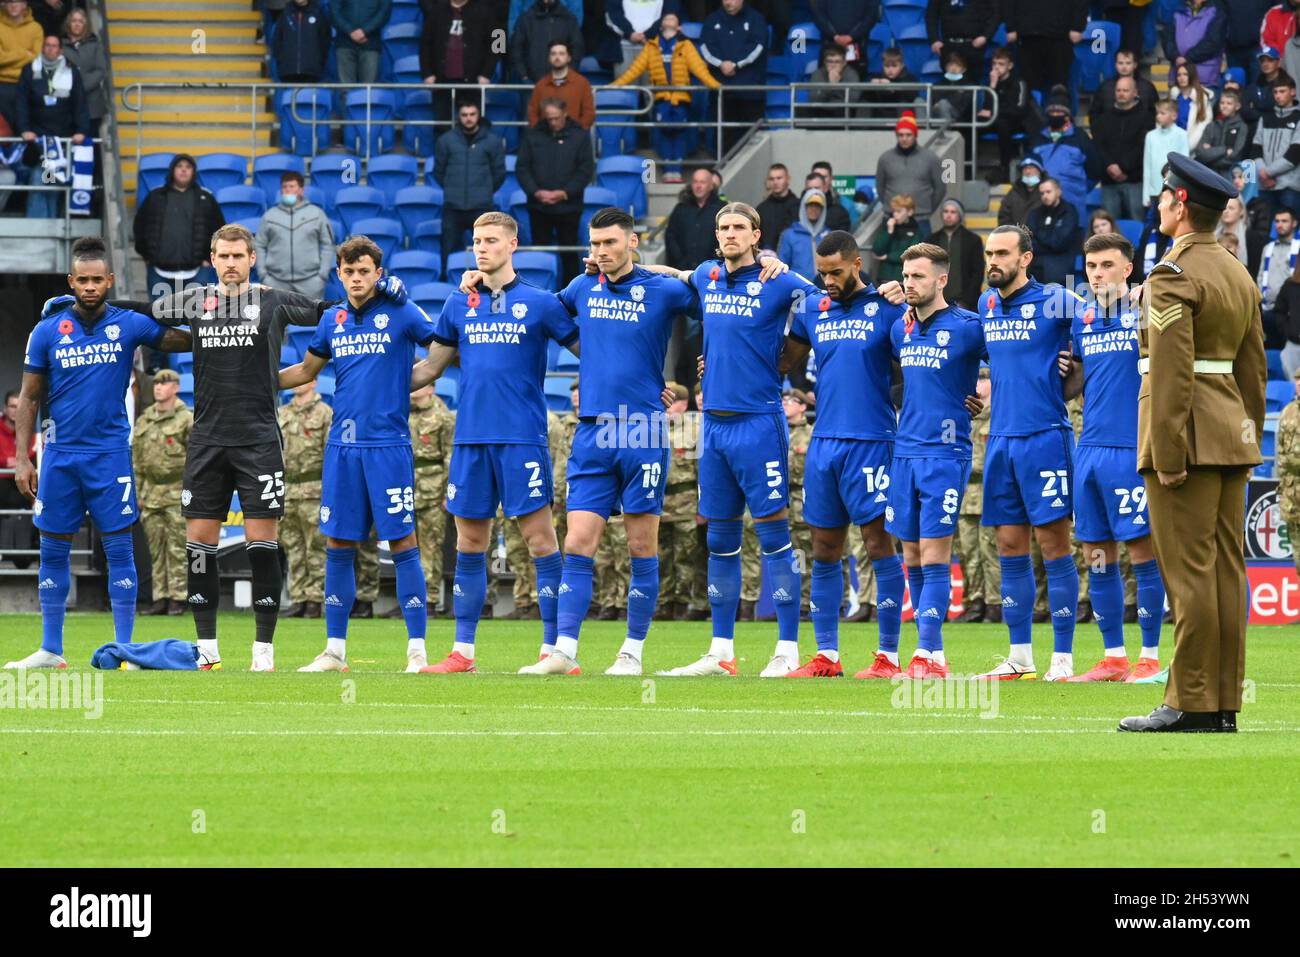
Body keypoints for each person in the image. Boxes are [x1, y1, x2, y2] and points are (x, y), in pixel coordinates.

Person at [112, 224, 408, 671]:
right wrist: (82, 305)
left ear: (253, 259)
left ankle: (263, 652)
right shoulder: (194, 301)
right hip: (207, 441)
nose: (231, 264)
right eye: (223, 256)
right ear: (212, 260)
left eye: (238, 256)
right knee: (199, 544)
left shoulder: (274, 300)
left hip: (258, 440)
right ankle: (207, 648)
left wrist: (385, 291)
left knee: (261, 543)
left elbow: (335, 309)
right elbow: (144, 310)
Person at [501, 209, 698, 675]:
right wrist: (479, 281)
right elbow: (532, 308)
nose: (600, 252)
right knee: (579, 542)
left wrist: (678, 270)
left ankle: (632, 651)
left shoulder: (663, 289)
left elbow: (719, 301)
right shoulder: (580, 288)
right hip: (592, 430)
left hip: (640, 429)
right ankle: (563, 650)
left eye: (610, 242)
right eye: (594, 244)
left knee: (641, 545)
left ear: (632, 242)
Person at [1119, 154, 1266, 732]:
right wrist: (1244, 435)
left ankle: (1189, 702)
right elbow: (1252, 374)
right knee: (1227, 573)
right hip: (1231, 438)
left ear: (1181, 206)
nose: (1157, 205)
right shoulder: (1236, 271)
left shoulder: (1172, 276)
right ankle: (1222, 702)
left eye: (1163, 198)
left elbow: (1172, 372)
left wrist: (1170, 452)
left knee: (1188, 574)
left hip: (1188, 442)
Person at [656, 203, 827, 677]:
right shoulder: (709, 275)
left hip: (759, 424)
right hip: (713, 426)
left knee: (774, 535)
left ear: (756, 235)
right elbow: (673, 273)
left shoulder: (780, 280)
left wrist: (786, 358)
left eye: (739, 228)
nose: (730, 234)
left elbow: (830, 303)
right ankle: (721, 652)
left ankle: (788, 649)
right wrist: (616, 264)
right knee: (722, 539)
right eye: (723, 228)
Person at [4, 236, 190, 671]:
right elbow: (29, 398)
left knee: (119, 548)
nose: (89, 287)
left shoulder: (130, 325)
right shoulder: (47, 330)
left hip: (109, 455)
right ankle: (51, 650)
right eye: (81, 280)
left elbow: (185, 341)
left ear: (110, 280)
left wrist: (217, 312)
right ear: (71, 281)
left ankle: (124, 651)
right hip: (60, 456)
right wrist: (23, 458)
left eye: (96, 280)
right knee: (53, 547)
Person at [412, 212, 577, 673]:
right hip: (470, 439)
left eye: (490, 240)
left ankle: (555, 650)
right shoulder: (457, 303)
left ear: (512, 245)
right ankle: (463, 652)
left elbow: (592, 351)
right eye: (476, 241)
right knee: (469, 541)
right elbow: (429, 370)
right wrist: (372, 384)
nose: (481, 248)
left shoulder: (541, 303)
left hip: (522, 438)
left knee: (540, 541)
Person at [277, 236, 436, 673]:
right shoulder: (333, 318)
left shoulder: (402, 311)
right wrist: (257, 380)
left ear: (378, 273)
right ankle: (334, 651)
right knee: (338, 542)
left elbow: (442, 349)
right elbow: (307, 371)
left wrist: (403, 382)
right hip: (342, 448)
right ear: (339, 274)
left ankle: (417, 650)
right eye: (349, 272)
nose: (357, 278)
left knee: (403, 541)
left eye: (365, 271)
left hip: (388, 447)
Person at [775, 233, 904, 676]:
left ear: (856, 264)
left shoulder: (889, 307)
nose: (827, 280)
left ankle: (888, 655)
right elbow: (781, 363)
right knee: (824, 547)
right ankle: (827, 655)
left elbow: (922, 363)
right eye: (822, 272)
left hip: (873, 440)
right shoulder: (811, 308)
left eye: (836, 272)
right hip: (824, 442)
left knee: (876, 543)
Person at [975, 224, 1086, 680]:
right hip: (1000, 438)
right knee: (1008, 545)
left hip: (1045, 436)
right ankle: (1019, 656)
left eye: (1002, 253)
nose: (992, 261)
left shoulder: (1059, 300)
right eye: (988, 254)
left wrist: (1074, 365)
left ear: (1025, 258)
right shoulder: (985, 305)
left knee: (1054, 543)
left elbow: (1098, 335)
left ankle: (1062, 658)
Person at [1059, 233, 1165, 682]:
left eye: (1106, 265)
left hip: (1130, 449)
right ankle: (1113, 658)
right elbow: (1073, 389)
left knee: (1142, 552)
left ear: (1128, 269)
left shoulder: (1146, 310)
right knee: (1096, 553)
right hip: (1090, 450)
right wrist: (1068, 373)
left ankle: (1150, 658)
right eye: (1091, 267)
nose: (1097, 274)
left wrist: (1153, 288)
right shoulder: (1082, 320)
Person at [885, 242, 986, 676]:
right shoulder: (900, 329)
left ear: (941, 280)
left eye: (919, 276)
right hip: (904, 452)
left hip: (945, 453)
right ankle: (934, 653)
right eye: (906, 276)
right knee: (910, 554)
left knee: (933, 554)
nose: (910, 284)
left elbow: (1008, 362)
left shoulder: (968, 327)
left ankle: (927, 654)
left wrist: (983, 398)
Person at [610, 10, 718, 182]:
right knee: (665, 132)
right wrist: (614, 86)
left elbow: (700, 69)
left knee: (679, 132)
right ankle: (668, 168)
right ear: (661, 25)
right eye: (666, 18)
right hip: (661, 98)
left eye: (673, 18)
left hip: (681, 98)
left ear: (679, 26)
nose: (669, 19)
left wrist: (716, 86)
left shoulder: (686, 45)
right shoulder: (652, 46)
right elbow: (634, 70)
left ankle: (677, 168)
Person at [132, 368, 192, 617]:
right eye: (156, 383)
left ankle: (178, 598)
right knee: (156, 549)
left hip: (176, 488)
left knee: (177, 548)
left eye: (165, 383)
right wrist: (139, 493)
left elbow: (197, 459)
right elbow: (137, 459)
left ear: (176, 388)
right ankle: (160, 597)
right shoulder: (145, 419)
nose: (158, 387)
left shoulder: (186, 418)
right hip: (152, 491)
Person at [517, 96, 593, 282]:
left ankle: (570, 295)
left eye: (556, 118)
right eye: (549, 118)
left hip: (569, 207)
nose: (553, 122)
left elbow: (585, 170)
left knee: (569, 255)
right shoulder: (533, 135)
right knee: (539, 254)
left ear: (565, 114)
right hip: (538, 207)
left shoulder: (580, 136)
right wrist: (535, 191)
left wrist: (565, 193)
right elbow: (522, 167)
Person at [15, 33, 90, 218]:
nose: (50, 48)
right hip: (38, 138)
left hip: (61, 137)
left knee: (52, 181)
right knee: (41, 179)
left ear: (60, 50)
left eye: (54, 45)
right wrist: (24, 129)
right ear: (42, 48)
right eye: (47, 45)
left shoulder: (72, 72)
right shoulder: (29, 70)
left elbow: (79, 103)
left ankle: (48, 226)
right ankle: (39, 229)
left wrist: (81, 130)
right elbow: (21, 103)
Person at [132, 154, 225, 298]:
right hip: (159, 273)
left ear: (193, 172)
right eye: (179, 166)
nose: (184, 170)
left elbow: (220, 231)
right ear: (172, 170)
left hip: (197, 273)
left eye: (188, 167)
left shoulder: (206, 198)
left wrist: (208, 258)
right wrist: (147, 255)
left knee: (194, 319)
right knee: (160, 318)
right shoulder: (155, 197)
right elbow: (140, 227)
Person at [433, 98, 506, 279]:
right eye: (464, 115)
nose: (468, 118)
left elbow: (499, 173)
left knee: (487, 251)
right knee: (447, 251)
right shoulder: (446, 140)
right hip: (453, 206)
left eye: (472, 114)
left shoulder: (492, 141)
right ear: (459, 116)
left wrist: (485, 191)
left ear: (478, 115)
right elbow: (438, 172)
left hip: (482, 207)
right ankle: (445, 283)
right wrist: (452, 189)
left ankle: (488, 282)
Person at [277, 380, 331, 620]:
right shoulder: (282, 413)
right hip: (288, 488)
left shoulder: (324, 413)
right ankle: (298, 598)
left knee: (316, 547)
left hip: (314, 487)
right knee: (293, 546)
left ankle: (315, 599)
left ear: (315, 382)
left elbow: (331, 453)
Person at [957, 369, 1000, 623]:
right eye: (977, 378)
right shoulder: (962, 418)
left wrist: (965, 464)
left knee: (991, 552)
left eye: (984, 379)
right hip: (964, 499)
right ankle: (974, 601)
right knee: (968, 553)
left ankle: (995, 603)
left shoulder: (999, 418)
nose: (979, 385)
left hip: (989, 496)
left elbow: (989, 462)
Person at [698, 0, 767, 155]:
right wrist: (721, 64)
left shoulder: (756, 19)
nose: (729, 3)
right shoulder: (712, 19)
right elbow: (705, 47)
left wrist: (736, 64)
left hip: (750, 92)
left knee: (751, 138)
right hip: (722, 91)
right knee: (724, 138)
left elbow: (758, 46)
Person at [1025, 86, 1101, 224]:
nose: (1055, 114)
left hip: (1073, 203)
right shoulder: (1037, 138)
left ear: (1067, 115)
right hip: (1041, 204)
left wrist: (1076, 187)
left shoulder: (1080, 137)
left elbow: (1094, 171)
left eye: (1059, 111)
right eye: (1052, 111)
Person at [255, 170, 334, 299]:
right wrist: (263, 275)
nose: (288, 190)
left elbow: (328, 245)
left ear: (301, 190)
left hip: (310, 282)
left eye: (292, 186)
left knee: (310, 318)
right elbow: (259, 245)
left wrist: (322, 276)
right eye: (285, 187)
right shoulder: (269, 216)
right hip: (275, 282)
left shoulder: (317, 214)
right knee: (275, 319)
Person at [419, 0, 500, 123]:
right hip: (441, 81)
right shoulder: (436, 10)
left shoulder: (486, 10)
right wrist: (427, 73)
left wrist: (487, 73)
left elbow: (498, 41)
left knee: (473, 126)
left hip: (473, 81)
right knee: (442, 126)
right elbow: (425, 44)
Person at [1094, 75, 1155, 221]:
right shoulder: (1104, 118)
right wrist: (1110, 165)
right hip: (1109, 182)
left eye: (1125, 90)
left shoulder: (1146, 118)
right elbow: (1099, 145)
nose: (1121, 93)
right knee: (1109, 228)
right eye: (1118, 90)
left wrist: (1123, 167)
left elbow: (1143, 147)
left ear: (1135, 93)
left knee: (1138, 224)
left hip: (1135, 180)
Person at [1003, 0, 1087, 99]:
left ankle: (1060, 112)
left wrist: (1078, 27)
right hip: (1028, 35)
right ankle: (1032, 113)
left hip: (1060, 36)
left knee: (1059, 85)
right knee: (1029, 86)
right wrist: (1010, 27)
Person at [874, 113, 946, 224]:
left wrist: (927, 208)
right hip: (892, 217)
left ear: (915, 135)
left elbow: (940, 188)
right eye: (901, 135)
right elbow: (880, 187)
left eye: (908, 135)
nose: (904, 139)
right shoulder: (885, 158)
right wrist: (891, 206)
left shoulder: (931, 158)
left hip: (921, 218)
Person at [980, 46, 1034, 184]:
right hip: (995, 120)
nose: (996, 67)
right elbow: (986, 109)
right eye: (994, 64)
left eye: (1001, 64)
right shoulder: (992, 82)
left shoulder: (1019, 82)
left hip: (1016, 122)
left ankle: (1005, 168)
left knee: (1002, 124)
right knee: (970, 124)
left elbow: (1019, 110)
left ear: (1010, 66)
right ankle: (965, 169)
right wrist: (992, 85)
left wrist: (993, 112)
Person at [1250, 73, 1300, 215]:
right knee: (1264, 230)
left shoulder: (1298, 118)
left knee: (1289, 228)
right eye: (1275, 92)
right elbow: (1256, 149)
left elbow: (1295, 154)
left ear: (1293, 92)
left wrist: (1267, 172)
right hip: (1265, 186)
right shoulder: (1265, 118)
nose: (1278, 95)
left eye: (1282, 91)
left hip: (1290, 187)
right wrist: (1263, 173)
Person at [664, 167, 724, 272]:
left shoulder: (722, 209)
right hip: (681, 272)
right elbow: (670, 237)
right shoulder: (681, 209)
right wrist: (680, 262)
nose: (698, 186)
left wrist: (711, 265)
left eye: (702, 182)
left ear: (711, 186)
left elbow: (723, 239)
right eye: (695, 182)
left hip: (712, 272)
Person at [525, 39, 594, 129]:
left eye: (561, 54)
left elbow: (589, 114)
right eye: (553, 54)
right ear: (549, 58)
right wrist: (540, 134)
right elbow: (532, 114)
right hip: (546, 138)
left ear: (569, 58)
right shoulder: (540, 85)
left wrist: (577, 133)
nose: (557, 57)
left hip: (574, 138)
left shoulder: (582, 83)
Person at [509, 0, 583, 84]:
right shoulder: (525, 19)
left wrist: (568, 74)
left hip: (562, 83)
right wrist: (523, 75)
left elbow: (577, 49)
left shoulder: (569, 19)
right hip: (530, 84)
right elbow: (516, 48)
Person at [931, 197, 984, 310]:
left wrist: (967, 301)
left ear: (959, 215)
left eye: (953, 212)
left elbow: (978, 272)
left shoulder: (973, 240)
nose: (948, 215)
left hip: (965, 303)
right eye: (945, 211)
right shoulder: (931, 240)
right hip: (936, 302)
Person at [60, 8, 106, 138]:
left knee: (89, 146)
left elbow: (100, 70)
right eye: (74, 20)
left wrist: (80, 87)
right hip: (66, 103)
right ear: (68, 23)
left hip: (91, 104)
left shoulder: (95, 43)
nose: (77, 24)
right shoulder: (59, 45)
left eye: (80, 21)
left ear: (85, 24)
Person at [1163, 0, 1228, 92]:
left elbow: (1213, 43)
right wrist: (1175, 56)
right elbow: (1168, 38)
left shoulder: (1217, 12)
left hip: (1204, 79)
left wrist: (1188, 58)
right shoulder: (1176, 10)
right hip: (1178, 76)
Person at [1258, 207, 1300, 349]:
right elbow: (1260, 276)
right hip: (1267, 309)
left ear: (1294, 223)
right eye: (1277, 221)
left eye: (1284, 221)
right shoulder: (1268, 248)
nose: (1279, 224)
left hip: (1290, 314)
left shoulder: (1299, 247)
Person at [1026, 178, 1080, 286]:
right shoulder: (1035, 213)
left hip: (1062, 269)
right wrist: (1050, 236)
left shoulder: (1069, 212)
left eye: (1048, 192)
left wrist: (1039, 233)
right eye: (1042, 193)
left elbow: (1059, 243)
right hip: (1037, 269)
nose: (1045, 196)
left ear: (1059, 191)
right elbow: (1029, 243)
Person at [926, 0, 999, 77]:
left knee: (972, 84)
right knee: (950, 84)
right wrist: (934, 40)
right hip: (948, 45)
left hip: (974, 46)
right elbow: (931, 15)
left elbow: (995, 14)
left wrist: (985, 36)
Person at [0, 0, 42, 129]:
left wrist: (8, 58)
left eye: (17, 1)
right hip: (2, 86)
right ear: (4, 4)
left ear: (25, 4)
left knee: (26, 130)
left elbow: (37, 57)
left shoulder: (36, 28)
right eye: (9, 1)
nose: (13, 5)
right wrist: (24, 54)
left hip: (27, 84)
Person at [1090, 49, 1159, 124]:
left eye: (1128, 63)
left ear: (1135, 65)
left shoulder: (1147, 87)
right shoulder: (1105, 87)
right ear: (1115, 65)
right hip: (1111, 131)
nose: (1124, 67)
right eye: (1120, 63)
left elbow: (1154, 112)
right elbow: (1095, 113)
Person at [1144, 99, 1191, 209]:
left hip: (1174, 188)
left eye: (1162, 113)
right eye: (1157, 113)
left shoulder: (1182, 135)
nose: (1158, 116)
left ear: (1174, 116)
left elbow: (1184, 163)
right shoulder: (1150, 136)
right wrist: (1146, 195)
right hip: (1154, 190)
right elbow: (1147, 166)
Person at [331, 0, 390, 86]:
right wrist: (350, 30)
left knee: (368, 91)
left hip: (370, 44)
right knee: (346, 90)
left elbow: (384, 12)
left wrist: (365, 31)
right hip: (345, 43)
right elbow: (334, 12)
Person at [271, 0, 331, 82]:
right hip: (288, 71)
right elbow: (277, 40)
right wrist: (282, 60)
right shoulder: (285, 14)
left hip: (312, 72)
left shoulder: (318, 13)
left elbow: (325, 40)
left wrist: (318, 60)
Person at [1193, 88, 1249, 176]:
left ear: (1237, 106)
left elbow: (1234, 156)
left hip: (1230, 176)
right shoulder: (1212, 125)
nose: (1224, 106)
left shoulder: (1242, 127)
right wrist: (1224, 150)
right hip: (1208, 174)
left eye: (1229, 103)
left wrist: (1210, 152)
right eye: (1222, 103)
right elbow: (1200, 153)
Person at [777, 187, 829, 282]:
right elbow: (782, 267)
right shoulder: (790, 234)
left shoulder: (829, 235)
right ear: (803, 207)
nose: (814, 209)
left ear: (823, 209)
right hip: (798, 289)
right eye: (810, 205)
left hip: (825, 289)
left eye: (817, 206)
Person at [871, 193, 924, 285]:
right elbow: (877, 250)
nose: (895, 215)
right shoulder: (888, 227)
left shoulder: (916, 230)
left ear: (910, 212)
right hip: (884, 278)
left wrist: (887, 257)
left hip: (903, 280)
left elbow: (911, 255)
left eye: (899, 211)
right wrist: (889, 232)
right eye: (894, 211)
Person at [805, 42, 862, 126]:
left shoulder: (851, 74)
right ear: (825, 62)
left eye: (837, 62)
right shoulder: (818, 74)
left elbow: (853, 99)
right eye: (830, 61)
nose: (833, 65)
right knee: (803, 111)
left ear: (844, 63)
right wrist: (830, 86)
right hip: (821, 110)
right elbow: (813, 99)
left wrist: (836, 87)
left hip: (842, 111)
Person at [810, 0, 879, 65]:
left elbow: (872, 15)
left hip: (857, 44)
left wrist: (852, 36)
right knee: (826, 75)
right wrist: (834, 36)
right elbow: (818, 14)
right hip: (829, 42)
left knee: (856, 74)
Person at [754, 163, 800, 250]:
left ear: (788, 179)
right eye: (772, 179)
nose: (775, 182)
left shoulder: (798, 206)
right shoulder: (762, 208)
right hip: (766, 258)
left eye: (779, 178)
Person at [1172, 61, 1215, 150]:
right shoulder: (1174, 96)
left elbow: (1203, 125)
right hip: (1173, 143)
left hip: (1192, 146)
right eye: (1179, 75)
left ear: (1191, 76)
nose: (1181, 78)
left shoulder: (1202, 98)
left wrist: (1188, 146)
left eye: (1185, 74)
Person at [998, 156, 1043, 226]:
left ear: (1039, 171)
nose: (1028, 172)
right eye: (1025, 168)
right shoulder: (1013, 193)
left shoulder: (1048, 191)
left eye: (1031, 168)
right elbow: (1004, 218)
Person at [809, 161, 853, 231]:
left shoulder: (846, 204)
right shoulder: (800, 206)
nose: (821, 180)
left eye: (824, 177)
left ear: (831, 179)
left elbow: (854, 234)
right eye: (817, 176)